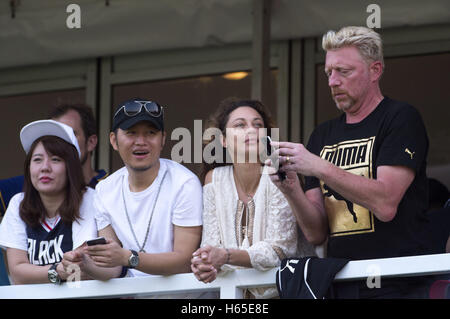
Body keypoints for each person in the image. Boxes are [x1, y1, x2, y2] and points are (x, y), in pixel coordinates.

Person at [268, 26, 433, 298]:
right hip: (341, 280)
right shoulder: (322, 135)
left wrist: (320, 166)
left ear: (375, 70)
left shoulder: (400, 118)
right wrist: (291, 189)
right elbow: (316, 233)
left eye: (343, 72)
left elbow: (386, 203)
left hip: (400, 279)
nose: (333, 82)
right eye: (329, 73)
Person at [191, 98, 313, 299]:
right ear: (222, 140)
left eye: (258, 125)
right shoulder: (213, 179)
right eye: (240, 125)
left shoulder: (280, 174)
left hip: (289, 292)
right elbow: (212, 244)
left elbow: (279, 250)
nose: (251, 130)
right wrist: (205, 262)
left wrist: (224, 257)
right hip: (235, 295)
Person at [86, 99, 203, 288]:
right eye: (131, 133)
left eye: (151, 133)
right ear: (114, 140)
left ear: (163, 139)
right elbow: (113, 266)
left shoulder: (184, 183)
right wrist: (84, 263)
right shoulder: (105, 189)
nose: (141, 142)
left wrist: (129, 258)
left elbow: (183, 261)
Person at [0, 120, 121, 284]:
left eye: (55, 159)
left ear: (71, 167)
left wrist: (42, 274)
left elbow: (82, 267)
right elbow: (18, 273)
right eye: (37, 160)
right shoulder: (18, 203)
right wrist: (56, 271)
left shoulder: (91, 199)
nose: (45, 167)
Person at [0, 103, 107, 217]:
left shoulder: (112, 187)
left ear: (91, 142)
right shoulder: (32, 182)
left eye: (70, 134)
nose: (58, 143)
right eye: (53, 137)